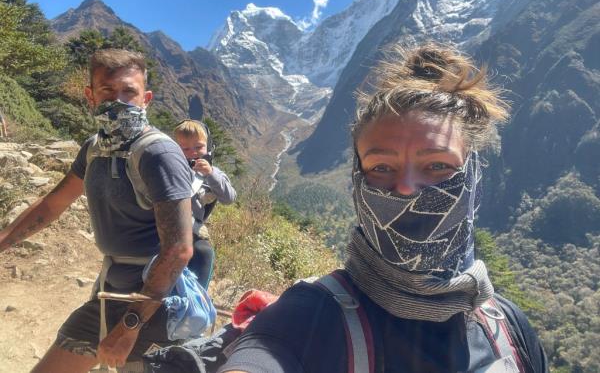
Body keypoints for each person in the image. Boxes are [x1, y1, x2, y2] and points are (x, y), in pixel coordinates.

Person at [219, 43, 548, 373]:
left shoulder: (511, 329)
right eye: (381, 168)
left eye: (436, 165)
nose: (405, 188)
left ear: (474, 176)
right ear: (357, 180)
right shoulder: (307, 318)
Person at [0, 49, 194, 372]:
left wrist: (129, 326)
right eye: (107, 91)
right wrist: (4, 240)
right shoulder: (95, 148)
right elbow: (53, 204)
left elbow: (178, 250)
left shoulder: (159, 154)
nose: (118, 100)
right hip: (111, 290)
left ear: (146, 98)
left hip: (152, 302)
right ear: (90, 96)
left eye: (129, 92)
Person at [173, 119, 237, 288]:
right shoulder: (170, 168)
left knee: (204, 252)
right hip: (164, 224)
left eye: (198, 147)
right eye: (185, 149)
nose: (193, 153)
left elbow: (229, 198)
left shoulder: (215, 174)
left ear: (208, 147)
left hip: (193, 230)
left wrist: (210, 174)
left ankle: (198, 295)